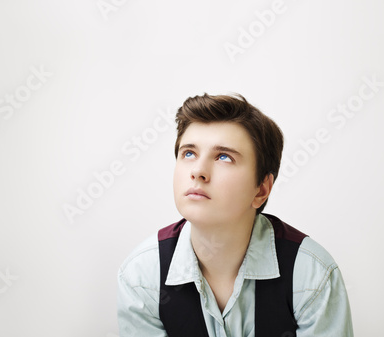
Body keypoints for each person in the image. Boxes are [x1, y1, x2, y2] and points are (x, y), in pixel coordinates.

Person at [117, 93, 353, 336]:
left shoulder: (312, 274)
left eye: (223, 157)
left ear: (261, 190)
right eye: (189, 153)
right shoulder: (142, 275)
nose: (198, 171)